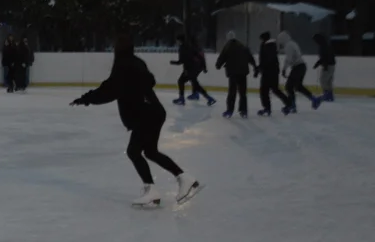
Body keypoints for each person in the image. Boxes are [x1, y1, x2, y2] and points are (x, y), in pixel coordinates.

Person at [70, 34, 200, 207]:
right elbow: (145, 81)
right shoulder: (137, 62)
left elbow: (108, 91)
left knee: (134, 151)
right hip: (154, 111)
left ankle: (153, 190)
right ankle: (183, 179)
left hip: (145, 115)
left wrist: (85, 99)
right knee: (150, 152)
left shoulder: (123, 66)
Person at [214, 31, 258, 118]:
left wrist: (218, 65)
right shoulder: (242, 46)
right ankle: (243, 111)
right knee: (243, 93)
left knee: (232, 92)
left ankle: (230, 110)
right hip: (243, 72)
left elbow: (222, 57)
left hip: (233, 73)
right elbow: (250, 57)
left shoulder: (228, 46)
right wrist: (254, 66)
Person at [278, 31, 321, 114]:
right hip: (302, 66)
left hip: (297, 67)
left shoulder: (288, 46)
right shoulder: (292, 43)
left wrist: (284, 69)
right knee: (298, 87)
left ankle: (292, 106)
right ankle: (313, 99)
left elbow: (289, 59)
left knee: (288, 87)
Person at [170, 34, 214, 106]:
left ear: (179, 40)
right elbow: (199, 56)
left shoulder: (182, 48)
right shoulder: (190, 46)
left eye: (177, 40)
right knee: (195, 84)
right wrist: (203, 67)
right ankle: (208, 98)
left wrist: (173, 62)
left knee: (182, 81)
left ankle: (182, 99)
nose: (176, 42)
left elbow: (181, 61)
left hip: (188, 69)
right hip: (194, 68)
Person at [255, 31, 289, 116]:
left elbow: (265, 60)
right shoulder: (272, 45)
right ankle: (289, 103)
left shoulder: (266, 46)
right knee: (275, 89)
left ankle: (267, 108)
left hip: (268, 72)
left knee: (264, 91)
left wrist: (259, 69)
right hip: (273, 71)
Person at [313, 33, 336, 102]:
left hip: (328, 65)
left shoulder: (323, 47)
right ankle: (330, 95)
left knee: (323, 80)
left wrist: (323, 65)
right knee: (328, 81)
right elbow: (327, 57)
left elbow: (325, 57)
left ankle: (327, 95)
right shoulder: (326, 45)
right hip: (331, 65)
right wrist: (318, 63)